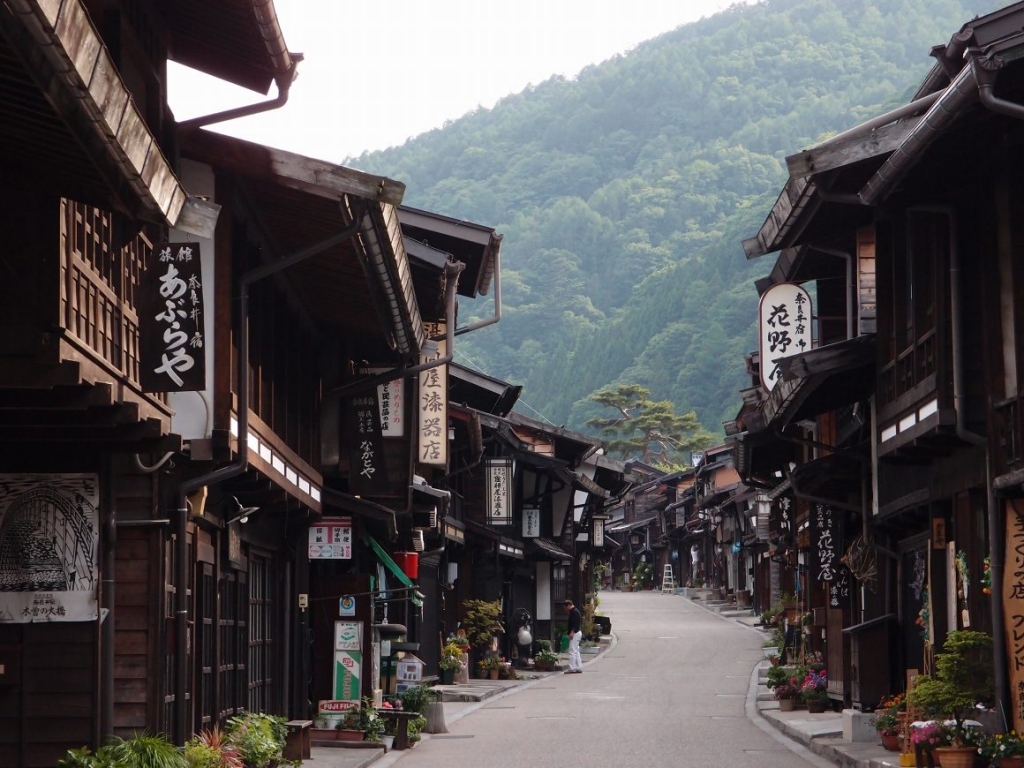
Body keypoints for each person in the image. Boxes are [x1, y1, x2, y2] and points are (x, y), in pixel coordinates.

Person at [563, 598, 583, 674]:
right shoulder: (575, 611)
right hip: (577, 632)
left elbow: (574, 624)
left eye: (566, 607)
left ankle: (572, 668)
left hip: (575, 633)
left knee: (572, 651)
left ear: (569, 605)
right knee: (576, 651)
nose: (565, 609)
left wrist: (571, 632)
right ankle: (578, 667)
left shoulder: (574, 612)